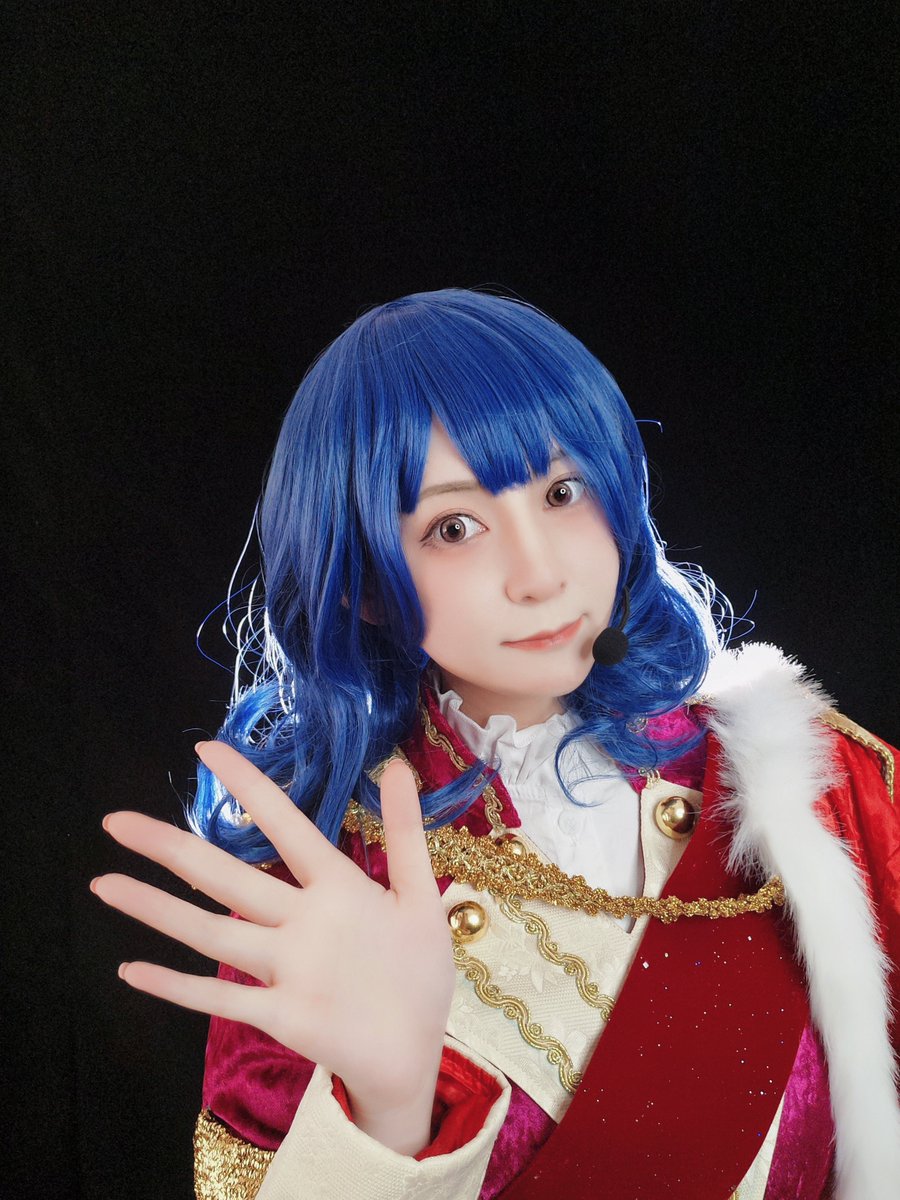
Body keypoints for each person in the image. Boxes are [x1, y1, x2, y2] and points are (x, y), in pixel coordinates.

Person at [91, 289, 900, 1200]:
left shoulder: (822, 786)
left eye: (562, 492)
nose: (540, 573)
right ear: (363, 586)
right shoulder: (320, 888)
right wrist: (387, 1114)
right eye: (454, 527)